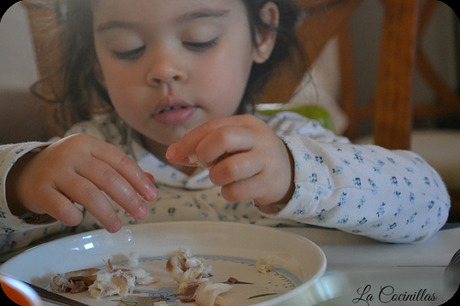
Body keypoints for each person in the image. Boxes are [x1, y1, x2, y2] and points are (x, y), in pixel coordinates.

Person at [0, 0, 450, 256]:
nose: (164, 70)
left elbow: (430, 204)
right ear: (97, 62)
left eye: (199, 39)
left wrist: (297, 175)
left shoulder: (296, 144)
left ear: (261, 35)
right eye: (127, 48)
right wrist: (19, 183)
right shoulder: (81, 162)